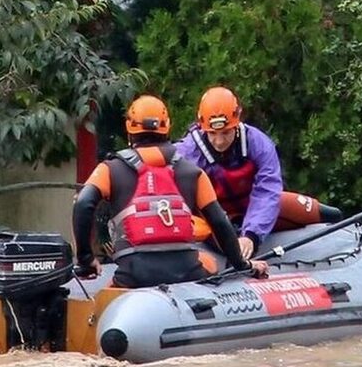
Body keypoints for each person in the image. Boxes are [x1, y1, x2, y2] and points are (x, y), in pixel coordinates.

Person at [72, 95, 269, 288]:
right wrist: (243, 265)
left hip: (134, 274)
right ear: (167, 127)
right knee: (209, 262)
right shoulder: (193, 172)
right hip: (187, 271)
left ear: (130, 129)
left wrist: (86, 259)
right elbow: (220, 222)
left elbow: (83, 204)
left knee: (106, 293)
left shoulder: (109, 169)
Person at [176, 86, 343, 260]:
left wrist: (251, 235)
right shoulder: (187, 152)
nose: (219, 141)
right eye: (213, 134)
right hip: (213, 216)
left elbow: (268, 190)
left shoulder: (258, 143)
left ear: (236, 122)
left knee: (328, 214)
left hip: (252, 205)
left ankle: (350, 237)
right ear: (203, 128)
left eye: (225, 133)